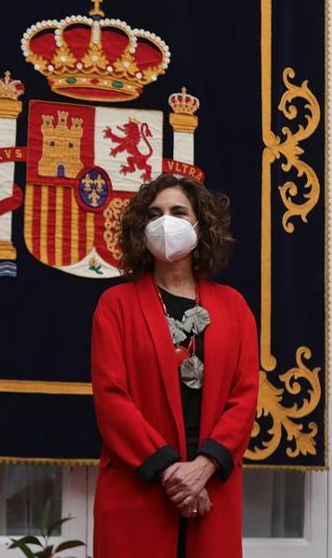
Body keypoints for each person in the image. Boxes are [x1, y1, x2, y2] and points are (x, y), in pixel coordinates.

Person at [90, 173, 259, 558]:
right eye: (155, 214)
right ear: (141, 228)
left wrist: (203, 467)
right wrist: (172, 473)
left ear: (201, 225)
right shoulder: (115, 305)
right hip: (141, 485)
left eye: (178, 212)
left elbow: (245, 396)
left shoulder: (234, 307)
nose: (166, 222)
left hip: (211, 486)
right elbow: (112, 400)